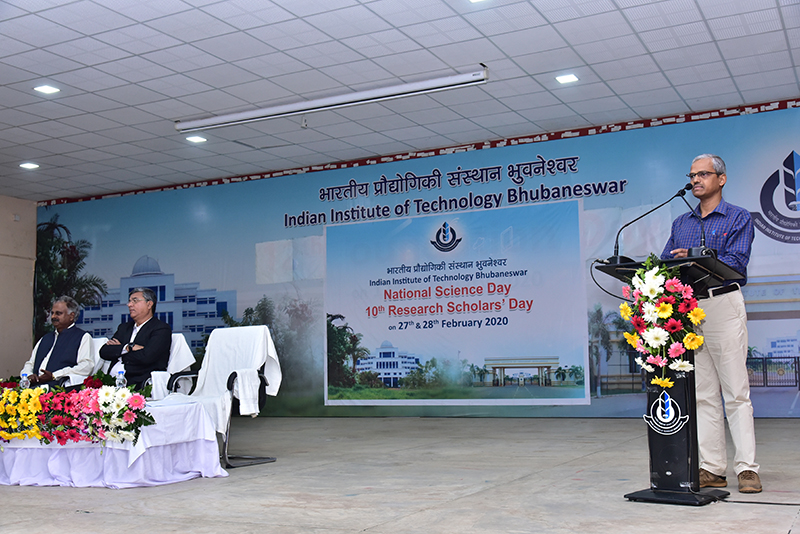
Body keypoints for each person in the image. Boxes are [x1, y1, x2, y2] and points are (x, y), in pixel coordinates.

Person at [661, 153, 761, 494]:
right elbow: (666, 261)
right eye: (692, 175)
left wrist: (696, 257)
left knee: (736, 392)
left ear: (721, 179)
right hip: (690, 309)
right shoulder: (681, 223)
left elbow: (737, 262)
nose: (695, 180)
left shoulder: (738, 217)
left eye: (703, 174)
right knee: (703, 395)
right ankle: (713, 468)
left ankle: (747, 469)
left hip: (722, 303)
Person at [100, 287, 171, 389]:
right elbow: (104, 352)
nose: (129, 305)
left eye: (135, 301)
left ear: (149, 304)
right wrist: (128, 348)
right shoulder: (124, 328)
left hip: (139, 384)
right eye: (129, 301)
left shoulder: (160, 328)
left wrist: (119, 353)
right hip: (111, 384)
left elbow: (146, 357)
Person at [22, 296, 93, 386]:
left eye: (58, 313)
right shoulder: (45, 338)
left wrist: (54, 375)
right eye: (52, 313)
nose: (53, 316)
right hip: (34, 387)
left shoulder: (82, 337)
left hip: (58, 387)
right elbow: (30, 364)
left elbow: (86, 366)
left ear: (71, 316)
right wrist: (28, 375)